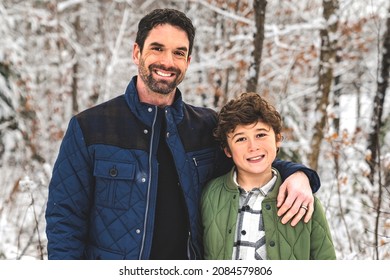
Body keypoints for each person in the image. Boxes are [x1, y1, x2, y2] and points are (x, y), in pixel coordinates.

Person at [45, 8, 321, 260]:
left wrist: (298, 174)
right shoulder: (91, 127)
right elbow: (64, 219)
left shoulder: (205, 126)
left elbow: (251, 162)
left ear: (188, 61)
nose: (168, 61)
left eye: (179, 52)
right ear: (136, 52)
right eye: (157, 48)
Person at [201, 92, 336, 260]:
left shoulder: (302, 200)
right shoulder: (209, 196)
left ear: (278, 139)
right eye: (241, 139)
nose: (253, 147)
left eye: (261, 135)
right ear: (228, 150)